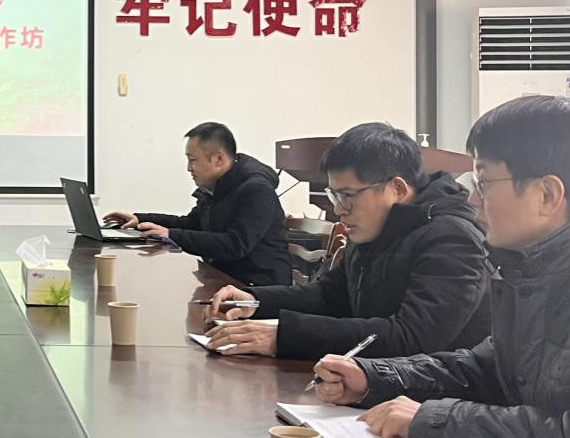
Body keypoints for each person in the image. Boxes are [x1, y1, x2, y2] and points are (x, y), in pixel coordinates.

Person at [314, 96, 570, 438]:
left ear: (548, 195)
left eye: (483, 183)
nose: (472, 199)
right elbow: (483, 370)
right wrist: (373, 378)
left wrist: (435, 420)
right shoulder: (524, 272)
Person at [205, 121, 490, 360]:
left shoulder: (453, 238)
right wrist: (256, 300)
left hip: (423, 398)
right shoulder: (377, 224)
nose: (339, 209)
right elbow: (331, 295)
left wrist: (284, 337)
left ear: (397, 189)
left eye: (347, 195)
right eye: (334, 195)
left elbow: (411, 337)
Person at [102, 123, 292, 286]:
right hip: (225, 278)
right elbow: (191, 224)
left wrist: (171, 235)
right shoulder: (218, 187)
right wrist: (139, 220)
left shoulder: (256, 190)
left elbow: (235, 245)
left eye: (192, 160)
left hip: (257, 289)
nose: (188, 168)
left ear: (218, 158)